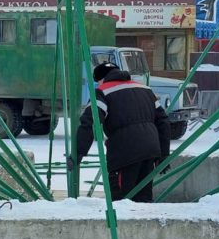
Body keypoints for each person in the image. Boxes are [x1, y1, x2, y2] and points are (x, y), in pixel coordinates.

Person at [73, 61, 171, 202]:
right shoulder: (145, 89)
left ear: (101, 79)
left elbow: (89, 122)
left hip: (124, 153)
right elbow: (163, 121)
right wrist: (163, 155)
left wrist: (78, 153)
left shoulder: (102, 92)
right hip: (150, 150)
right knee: (143, 200)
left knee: (121, 201)